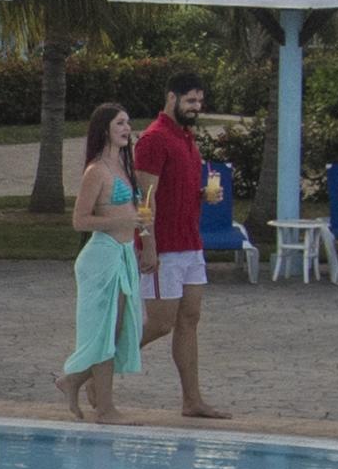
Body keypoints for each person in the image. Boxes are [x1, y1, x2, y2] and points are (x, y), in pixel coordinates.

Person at [130, 95, 228, 422]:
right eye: (190, 100)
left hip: (191, 244)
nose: (196, 106)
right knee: (160, 323)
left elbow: (176, 190)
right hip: (166, 246)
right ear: (172, 97)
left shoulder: (186, 138)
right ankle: (88, 374)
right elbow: (144, 199)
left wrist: (202, 196)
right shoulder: (154, 140)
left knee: (189, 319)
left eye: (200, 101)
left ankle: (192, 400)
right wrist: (149, 243)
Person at [53, 118, 148, 426]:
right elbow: (80, 220)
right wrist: (119, 223)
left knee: (118, 331)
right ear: (104, 129)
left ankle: (73, 380)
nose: (126, 128)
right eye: (119, 123)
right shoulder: (96, 171)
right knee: (105, 331)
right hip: (101, 256)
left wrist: (141, 231)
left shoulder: (122, 166)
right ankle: (105, 409)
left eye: (128, 123)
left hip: (122, 255)